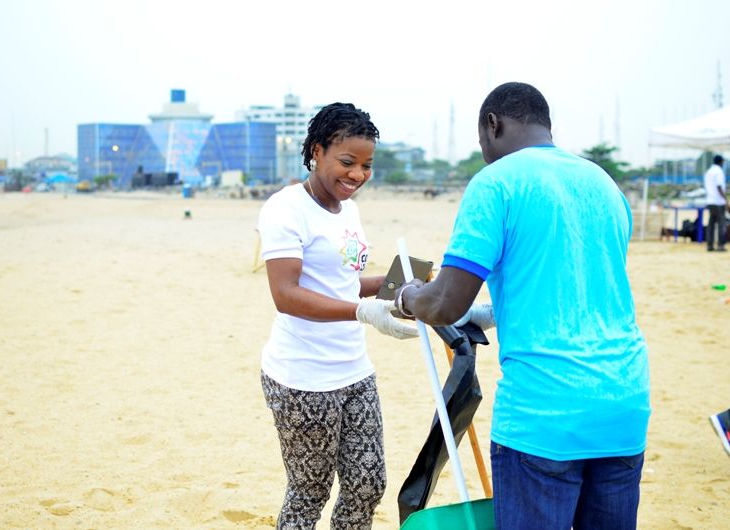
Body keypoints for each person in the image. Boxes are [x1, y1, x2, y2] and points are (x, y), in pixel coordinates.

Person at [396, 82, 651, 530]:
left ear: (492, 125)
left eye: (481, 142)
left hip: (545, 413)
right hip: (623, 403)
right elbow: (569, 289)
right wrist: (492, 312)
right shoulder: (604, 184)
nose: (484, 154)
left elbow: (445, 300)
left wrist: (407, 296)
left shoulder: (496, 183)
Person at [257, 102, 416, 529]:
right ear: (316, 150)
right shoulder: (285, 208)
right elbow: (286, 294)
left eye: (366, 165)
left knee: (367, 484)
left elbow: (345, 281)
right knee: (309, 492)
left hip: (354, 371)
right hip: (302, 377)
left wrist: (402, 285)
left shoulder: (349, 210)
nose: (357, 175)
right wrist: (362, 311)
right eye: (347, 162)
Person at [704, 154, 727, 252]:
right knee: (721, 223)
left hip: (710, 201)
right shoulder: (719, 172)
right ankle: (720, 245)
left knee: (711, 224)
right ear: (721, 162)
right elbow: (719, 187)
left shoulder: (708, 172)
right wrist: (726, 200)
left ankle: (710, 245)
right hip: (718, 202)